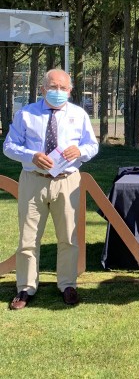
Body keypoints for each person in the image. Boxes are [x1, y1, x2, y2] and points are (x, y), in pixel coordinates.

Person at [3, 68, 99, 309]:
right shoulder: (26, 114)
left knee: (68, 236)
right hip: (33, 179)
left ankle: (67, 285)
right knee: (28, 237)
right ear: (42, 89)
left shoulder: (79, 115)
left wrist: (81, 151)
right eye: (53, 87)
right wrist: (31, 155)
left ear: (70, 90)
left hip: (67, 181)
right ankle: (25, 288)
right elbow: (9, 146)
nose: (58, 92)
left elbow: (92, 145)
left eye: (63, 88)